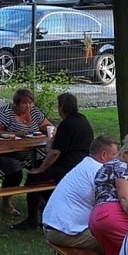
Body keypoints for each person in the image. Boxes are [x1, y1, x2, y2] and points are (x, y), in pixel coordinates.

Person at [20, 93, 93, 230]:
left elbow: (54, 153)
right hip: (80, 165)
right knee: (38, 167)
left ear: (61, 107)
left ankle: (32, 219)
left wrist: (40, 169)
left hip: (67, 168)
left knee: (33, 177)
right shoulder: (82, 120)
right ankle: (49, 206)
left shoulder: (67, 124)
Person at [39, 136, 117, 252]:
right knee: (118, 239)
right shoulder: (99, 171)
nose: (117, 159)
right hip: (64, 231)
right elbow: (112, 203)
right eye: (114, 155)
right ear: (104, 155)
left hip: (54, 226)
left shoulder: (86, 164)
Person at [0, 89, 52, 217]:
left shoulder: (34, 112)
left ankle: (40, 199)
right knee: (15, 172)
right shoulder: (6, 112)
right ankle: (6, 203)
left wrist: (46, 130)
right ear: (16, 103)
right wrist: (13, 134)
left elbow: (47, 125)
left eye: (30, 103)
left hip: (31, 151)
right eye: (24, 103)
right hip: (8, 153)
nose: (28, 106)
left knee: (45, 165)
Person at [86, 135, 128, 255]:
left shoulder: (106, 166)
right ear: (126, 154)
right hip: (113, 216)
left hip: (96, 218)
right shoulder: (122, 166)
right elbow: (124, 199)